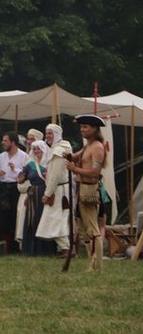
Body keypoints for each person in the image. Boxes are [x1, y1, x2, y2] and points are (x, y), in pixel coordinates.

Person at [66, 114, 107, 271]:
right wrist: (68, 156)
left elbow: (95, 172)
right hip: (81, 189)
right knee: (84, 230)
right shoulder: (88, 146)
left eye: (85, 127)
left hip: (90, 190)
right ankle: (91, 262)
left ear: (94, 129)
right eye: (81, 127)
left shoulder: (97, 147)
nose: (82, 129)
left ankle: (97, 264)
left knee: (93, 229)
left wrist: (74, 169)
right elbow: (76, 157)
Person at [35, 124, 72, 258]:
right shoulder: (57, 149)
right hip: (60, 189)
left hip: (59, 191)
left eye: (50, 133)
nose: (47, 136)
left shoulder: (58, 151)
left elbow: (55, 176)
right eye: (46, 133)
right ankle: (63, 248)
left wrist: (47, 194)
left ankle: (66, 247)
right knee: (57, 219)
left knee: (54, 219)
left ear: (56, 134)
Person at [18, 140, 56, 256]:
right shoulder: (30, 165)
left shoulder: (49, 164)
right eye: (34, 149)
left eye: (38, 149)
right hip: (33, 195)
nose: (36, 151)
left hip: (45, 194)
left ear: (43, 150)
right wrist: (20, 176)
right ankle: (31, 250)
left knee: (44, 220)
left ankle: (46, 250)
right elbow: (21, 179)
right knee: (32, 220)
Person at [0, 132, 28, 253]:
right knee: (3, 218)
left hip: (16, 188)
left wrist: (15, 170)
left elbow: (25, 174)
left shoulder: (23, 156)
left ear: (13, 142)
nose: (3, 143)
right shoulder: (2, 156)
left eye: (5, 141)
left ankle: (16, 247)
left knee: (15, 217)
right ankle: (5, 247)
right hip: (3, 188)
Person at [15, 129, 42, 250]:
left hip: (34, 193)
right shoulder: (27, 157)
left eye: (32, 139)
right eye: (28, 139)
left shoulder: (41, 158)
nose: (29, 142)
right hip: (24, 193)